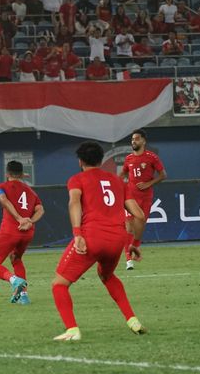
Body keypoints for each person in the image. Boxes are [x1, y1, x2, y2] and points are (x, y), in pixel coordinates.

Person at [52, 141, 147, 342]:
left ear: (80, 161)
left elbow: (74, 202)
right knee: (107, 275)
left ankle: (72, 330)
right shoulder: (118, 181)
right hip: (117, 240)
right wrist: (134, 244)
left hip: (92, 237)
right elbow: (139, 215)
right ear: (101, 160)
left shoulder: (77, 179)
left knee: (59, 284)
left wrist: (77, 233)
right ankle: (132, 319)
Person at [0, 161, 44, 304]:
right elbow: (41, 210)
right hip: (28, 233)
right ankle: (23, 296)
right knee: (16, 259)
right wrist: (30, 221)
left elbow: (3, 200)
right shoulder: (31, 191)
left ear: (7, 174)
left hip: (10, 232)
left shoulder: (2, 187)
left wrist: (19, 219)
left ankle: (14, 280)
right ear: (22, 174)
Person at [119, 129, 167, 271]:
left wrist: (149, 183)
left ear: (143, 141)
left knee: (139, 226)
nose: (134, 141)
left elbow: (163, 175)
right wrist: (117, 184)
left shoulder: (151, 157)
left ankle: (136, 247)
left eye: (137, 139)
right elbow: (122, 173)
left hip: (145, 197)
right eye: (132, 139)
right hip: (130, 197)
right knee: (128, 226)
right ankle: (128, 260)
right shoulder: (128, 159)